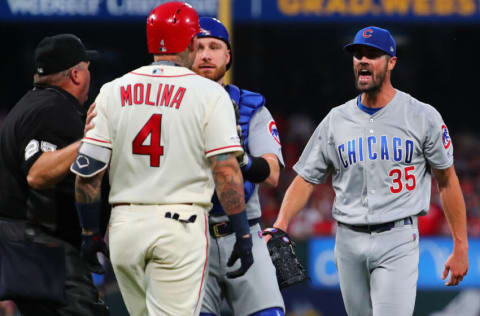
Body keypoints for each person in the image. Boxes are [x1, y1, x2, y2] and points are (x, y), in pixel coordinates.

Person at [270, 26, 469, 316]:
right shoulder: (336, 120)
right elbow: (305, 178)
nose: (363, 60)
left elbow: (448, 181)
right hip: (347, 240)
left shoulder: (421, 116)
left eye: (373, 55)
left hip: (397, 237)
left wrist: (460, 245)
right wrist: (280, 224)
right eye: (358, 55)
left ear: (391, 62)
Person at [70, 3, 254, 316]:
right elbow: (226, 170)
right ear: (192, 43)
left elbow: (88, 174)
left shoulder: (113, 90)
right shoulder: (210, 94)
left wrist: (89, 233)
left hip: (125, 227)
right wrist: (243, 232)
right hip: (179, 227)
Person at [0, 34, 108, 315]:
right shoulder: (52, 108)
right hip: (43, 247)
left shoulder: (33, 104)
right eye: (87, 68)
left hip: (29, 245)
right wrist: (89, 141)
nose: (89, 75)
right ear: (75, 74)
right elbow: (37, 173)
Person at [192, 17, 285, 316]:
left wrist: (239, 156)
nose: (206, 54)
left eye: (214, 47)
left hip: (246, 229)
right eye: (198, 47)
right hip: (190, 235)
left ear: (227, 55)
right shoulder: (170, 106)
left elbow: (271, 174)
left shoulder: (249, 107)